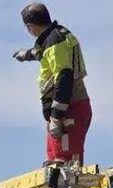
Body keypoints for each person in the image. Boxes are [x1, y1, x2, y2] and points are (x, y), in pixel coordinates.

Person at [13, 3, 91, 165]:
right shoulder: (55, 36)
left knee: (65, 164)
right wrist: (26, 55)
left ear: (30, 26)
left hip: (69, 108)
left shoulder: (55, 42)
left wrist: (56, 116)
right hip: (65, 109)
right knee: (54, 161)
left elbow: (64, 77)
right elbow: (44, 53)